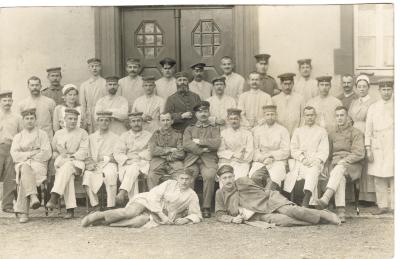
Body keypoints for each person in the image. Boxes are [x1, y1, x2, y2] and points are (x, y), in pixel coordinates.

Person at [215, 165, 341, 226]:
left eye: (230, 177)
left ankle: (324, 214)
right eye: (224, 178)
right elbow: (219, 214)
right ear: (219, 179)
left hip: (270, 200)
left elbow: (261, 192)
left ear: (234, 176)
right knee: (284, 221)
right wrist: (232, 219)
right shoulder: (220, 194)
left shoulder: (242, 181)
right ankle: (319, 221)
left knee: (292, 210)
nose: (228, 180)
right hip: (257, 215)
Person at [81, 169, 202, 228]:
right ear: (177, 178)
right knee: (130, 212)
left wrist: (186, 219)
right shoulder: (169, 183)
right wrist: (162, 215)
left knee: (138, 222)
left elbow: (196, 214)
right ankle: (98, 215)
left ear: (191, 180)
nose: (184, 181)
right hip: (147, 202)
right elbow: (153, 196)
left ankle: (104, 222)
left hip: (158, 215)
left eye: (187, 179)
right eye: (182, 178)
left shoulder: (192, 195)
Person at [316, 106, 365, 222]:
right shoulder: (332, 134)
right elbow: (328, 154)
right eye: (337, 116)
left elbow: (359, 153)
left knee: (340, 167)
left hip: (353, 165)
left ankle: (326, 197)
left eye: (342, 115)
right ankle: (341, 211)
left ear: (347, 117)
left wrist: (345, 160)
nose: (339, 118)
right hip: (336, 165)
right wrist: (326, 165)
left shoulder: (356, 132)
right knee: (340, 176)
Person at [10, 108, 52, 223]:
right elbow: (14, 155)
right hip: (23, 165)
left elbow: (47, 152)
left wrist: (27, 155)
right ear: (23, 121)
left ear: (35, 120)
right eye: (27, 119)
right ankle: (33, 196)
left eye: (32, 118)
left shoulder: (42, 134)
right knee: (24, 168)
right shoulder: (18, 137)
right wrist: (32, 153)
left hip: (38, 165)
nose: (29, 121)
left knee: (25, 174)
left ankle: (24, 212)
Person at [46, 108, 89, 219]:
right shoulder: (59, 133)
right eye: (70, 118)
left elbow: (84, 150)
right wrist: (56, 154)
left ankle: (54, 196)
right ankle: (70, 210)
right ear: (64, 119)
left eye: (75, 119)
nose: (73, 121)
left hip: (77, 162)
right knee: (67, 175)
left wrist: (71, 157)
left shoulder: (83, 133)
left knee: (68, 166)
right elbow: (54, 149)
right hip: (63, 162)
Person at [283, 106, 329, 207]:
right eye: (307, 115)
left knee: (313, 170)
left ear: (315, 116)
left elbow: (324, 150)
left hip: (315, 162)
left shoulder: (322, 131)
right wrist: (302, 159)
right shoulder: (298, 131)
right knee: (305, 171)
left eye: (312, 115)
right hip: (301, 163)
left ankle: (307, 199)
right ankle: (305, 200)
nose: (310, 117)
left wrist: (316, 160)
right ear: (304, 117)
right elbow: (293, 149)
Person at [183, 101, 221, 218]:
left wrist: (199, 142)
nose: (203, 114)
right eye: (200, 112)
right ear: (196, 114)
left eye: (205, 111)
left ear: (209, 113)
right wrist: (202, 150)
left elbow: (216, 143)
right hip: (192, 160)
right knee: (188, 176)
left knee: (209, 176)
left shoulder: (214, 128)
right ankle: (189, 206)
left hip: (209, 160)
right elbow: (186, 144)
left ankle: (206, 207)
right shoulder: (190, 128)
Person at [365, 79, 394, 215]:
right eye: (384, 90)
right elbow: (368, 129)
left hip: (393, 143)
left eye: (389, 89)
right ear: (379, 91)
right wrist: (368, 147)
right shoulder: (373, 107)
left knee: (394, 175)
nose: (386, 92)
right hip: (377, 142)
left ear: (392, 90)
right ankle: (382, 205)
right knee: (379, 176)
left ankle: (395, 205)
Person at [113, 112, 152, 206]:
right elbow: (118, 152)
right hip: (128, 162)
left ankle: (123, 192)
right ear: (129, 123)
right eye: (133, 121)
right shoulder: (124, 136)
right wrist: (127, 160)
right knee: (133, 169)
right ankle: (134, 204)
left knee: (134, 167)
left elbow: (151, 150)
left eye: (138, 121)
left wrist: (139, 156)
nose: (136, 123)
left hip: (143, 162)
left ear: (142, 122)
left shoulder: (149, 135)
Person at [348, 74, 376, 202]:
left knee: (367, 164)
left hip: (367, 132)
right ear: (356, 88)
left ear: (368, 88)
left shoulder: (373, 102)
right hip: (355, 133)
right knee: (357, 163)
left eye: (364, 86)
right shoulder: (354, 102)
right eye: (359, 87)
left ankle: (369, 197)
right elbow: (349, 118)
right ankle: (357, 195)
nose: (362, 89)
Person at [82, 111, 119, 211]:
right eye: (101, 120)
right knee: (87, 176)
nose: (104, 123)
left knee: (110, 174)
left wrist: (105, 158)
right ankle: (95, 205)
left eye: (106, 120)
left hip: (109, 163)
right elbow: (87, 153)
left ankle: (111, 205)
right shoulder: (91, 137)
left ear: (110, 122)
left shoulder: (115, 138)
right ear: (97, 122)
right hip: (95, 164)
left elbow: (117, 155)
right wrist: (90, 163)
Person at [249, 105, 290, 191]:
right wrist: (263, 158)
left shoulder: (283, 130)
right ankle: (259, 199)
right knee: (254, 178)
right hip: (262, 161)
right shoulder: (258, 130)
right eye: (267, 115)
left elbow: (286, 151)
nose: (270, 117)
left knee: (273, 180)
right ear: (264, 116)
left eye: (272, 114)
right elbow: (255, 149)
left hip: (278, 161)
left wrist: (271, 156)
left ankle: (266, 201)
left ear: (276, 115)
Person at [147, 112, 185, 189]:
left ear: (172, 121)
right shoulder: (155, 134)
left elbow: (181, 153)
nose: (165, 123)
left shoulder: (178, 134)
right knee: (151, 176)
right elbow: (153, 150)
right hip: (158, 162)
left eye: (167, 120)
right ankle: (153, 199)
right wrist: (170, 149)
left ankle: (178, 199)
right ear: (159, 122)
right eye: (163, 120)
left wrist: (166, 156)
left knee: (181, 177)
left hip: (174, 162)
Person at [0, 90, 22, 213]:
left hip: (11, 148)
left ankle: (7, 205)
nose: (7, 103)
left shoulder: (17, 118)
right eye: (4, 100)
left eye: (9, 100)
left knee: (10, 176)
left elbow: (21, 134)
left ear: (12, 102)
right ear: (0, 102)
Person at [217, 108, 253, 179]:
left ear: (240, 119)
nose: (234, 121)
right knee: (225, 178)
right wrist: (233, 155)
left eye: (236, 119)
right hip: (227, 161)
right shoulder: (223, 133)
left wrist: (239, 159)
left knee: (239, 179)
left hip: (242, 162)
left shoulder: (247, 134)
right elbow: (221, 151)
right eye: (231, 119)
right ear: (228, 120)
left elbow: (250, 151)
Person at [80, 58, 107, 134]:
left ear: (100, 67)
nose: (94, 68)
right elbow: (83, 104)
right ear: (89, 68)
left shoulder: (105, 83)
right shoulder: (84, 85)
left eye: (97, 66)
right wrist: (84, 117)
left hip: (102, 113)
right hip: (89, 115)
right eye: (92, 66)